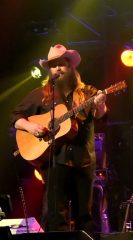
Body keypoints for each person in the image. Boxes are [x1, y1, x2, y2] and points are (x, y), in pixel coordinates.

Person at [11, 44, 107, 234]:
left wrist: (101, 103)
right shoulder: (42, 95)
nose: (57, 69)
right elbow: (15, 117)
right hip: (55, 161)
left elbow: (100, 115)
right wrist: (31, 126)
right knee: (55, 216)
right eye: (53, 66)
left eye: (61, 65)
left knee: (85, 216)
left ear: (71, 66)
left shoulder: (87, 92)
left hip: (83, 161)